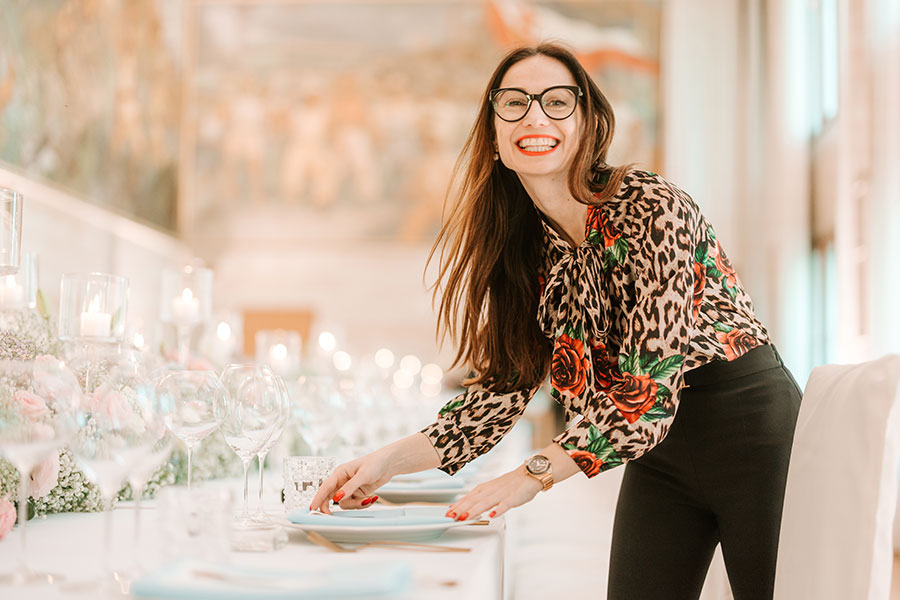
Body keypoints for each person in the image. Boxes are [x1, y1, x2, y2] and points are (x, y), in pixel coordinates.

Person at [310, 42, 801, 599]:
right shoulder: (524, 250)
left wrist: (528, 478)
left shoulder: (649, 206)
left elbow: (647, 396)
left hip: (749, 430)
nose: (536, 116)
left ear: (587, 123)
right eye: (514, 103)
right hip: (657, 453)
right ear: (494, 136)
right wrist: (383, 463)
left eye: (557, 101)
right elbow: (497, 396)